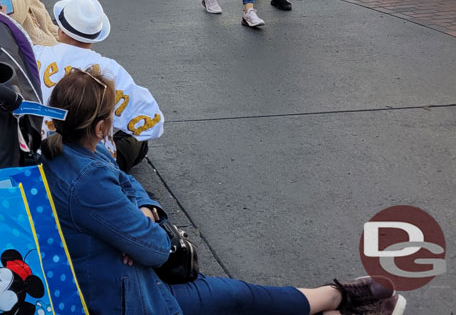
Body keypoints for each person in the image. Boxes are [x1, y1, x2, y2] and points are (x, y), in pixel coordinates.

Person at [41, 66, 408, 315]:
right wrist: (137, 235)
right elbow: (154, 249)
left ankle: (334, 296)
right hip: (123, 297)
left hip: (118, 277)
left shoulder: (70, 149)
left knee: (236, 296)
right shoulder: (87, 178)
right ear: (104, 127)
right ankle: (338, 296)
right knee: (237, 297)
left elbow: (126, 181)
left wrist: (144, 211)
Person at [33, 0, 162, 171]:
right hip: (92, 164)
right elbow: (153, 125)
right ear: (96, 36)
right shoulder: (111, 71)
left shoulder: (35, 55)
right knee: (136, 141)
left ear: (60, 30)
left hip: (39, 154)